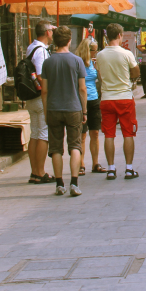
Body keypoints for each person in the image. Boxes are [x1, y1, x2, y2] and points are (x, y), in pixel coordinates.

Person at [40, 26, 87, 196]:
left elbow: (44, 91)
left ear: (54, 40)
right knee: (75, 146)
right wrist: (85, 111)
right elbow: (82, 89)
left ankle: (59, 184)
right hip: (74, 108)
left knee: (56, 148)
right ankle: (74, 183)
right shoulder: (77, 61)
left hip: (53, 108)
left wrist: (46, 111)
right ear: (69, 40)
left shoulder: (48, 62)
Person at [96, 23, 140, 180]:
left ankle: (111, 168)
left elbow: (100, 75)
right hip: (124, 98)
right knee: (128, 133)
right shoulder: (126, 54)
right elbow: (136, 71)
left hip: (107, 98)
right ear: (120, 35)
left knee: (109, 134)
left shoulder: (100, 55)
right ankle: (129, 169)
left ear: (107, 36)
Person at [25, 21, 54, 185]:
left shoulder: (31, 47)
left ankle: (34, 171)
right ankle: (40, 171)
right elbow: (42, 76)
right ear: (47, 32)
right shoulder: (41, 51)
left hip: (31, 97)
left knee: (35, 133)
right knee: (43, 134)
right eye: (52, 30)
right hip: (40, 97)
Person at [75, 37, 104, 175]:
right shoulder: (78, 63)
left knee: (95, 132)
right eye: (94, 50)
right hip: (81, 101)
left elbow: (100, 80)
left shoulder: (93, 63)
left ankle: (95, 163)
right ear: (87, 50)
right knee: (82, 134)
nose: (95, 53)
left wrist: (98, 69)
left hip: (94, 99)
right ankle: (81, 164)